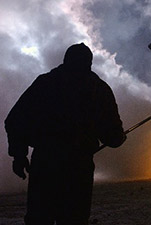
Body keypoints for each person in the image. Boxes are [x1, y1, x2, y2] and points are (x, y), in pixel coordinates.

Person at [5, 43, 126, 225]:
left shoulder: (44, 83)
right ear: (89, 63)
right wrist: (118, 137)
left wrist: (19, 156)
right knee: (74, 219)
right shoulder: (98, 89)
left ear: (65, 61)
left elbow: (15, 120)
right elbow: (113, 136)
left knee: (39, 218)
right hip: (78, 169)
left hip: (44, 166)